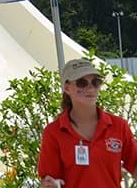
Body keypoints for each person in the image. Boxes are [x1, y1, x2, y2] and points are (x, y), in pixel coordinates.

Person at [38, 58, 137, 188]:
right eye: (82, 82)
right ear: (67, 88)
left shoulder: (119, 125)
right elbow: (49, 180)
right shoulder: (53, 132)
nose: (90, 87)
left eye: (96, 82)